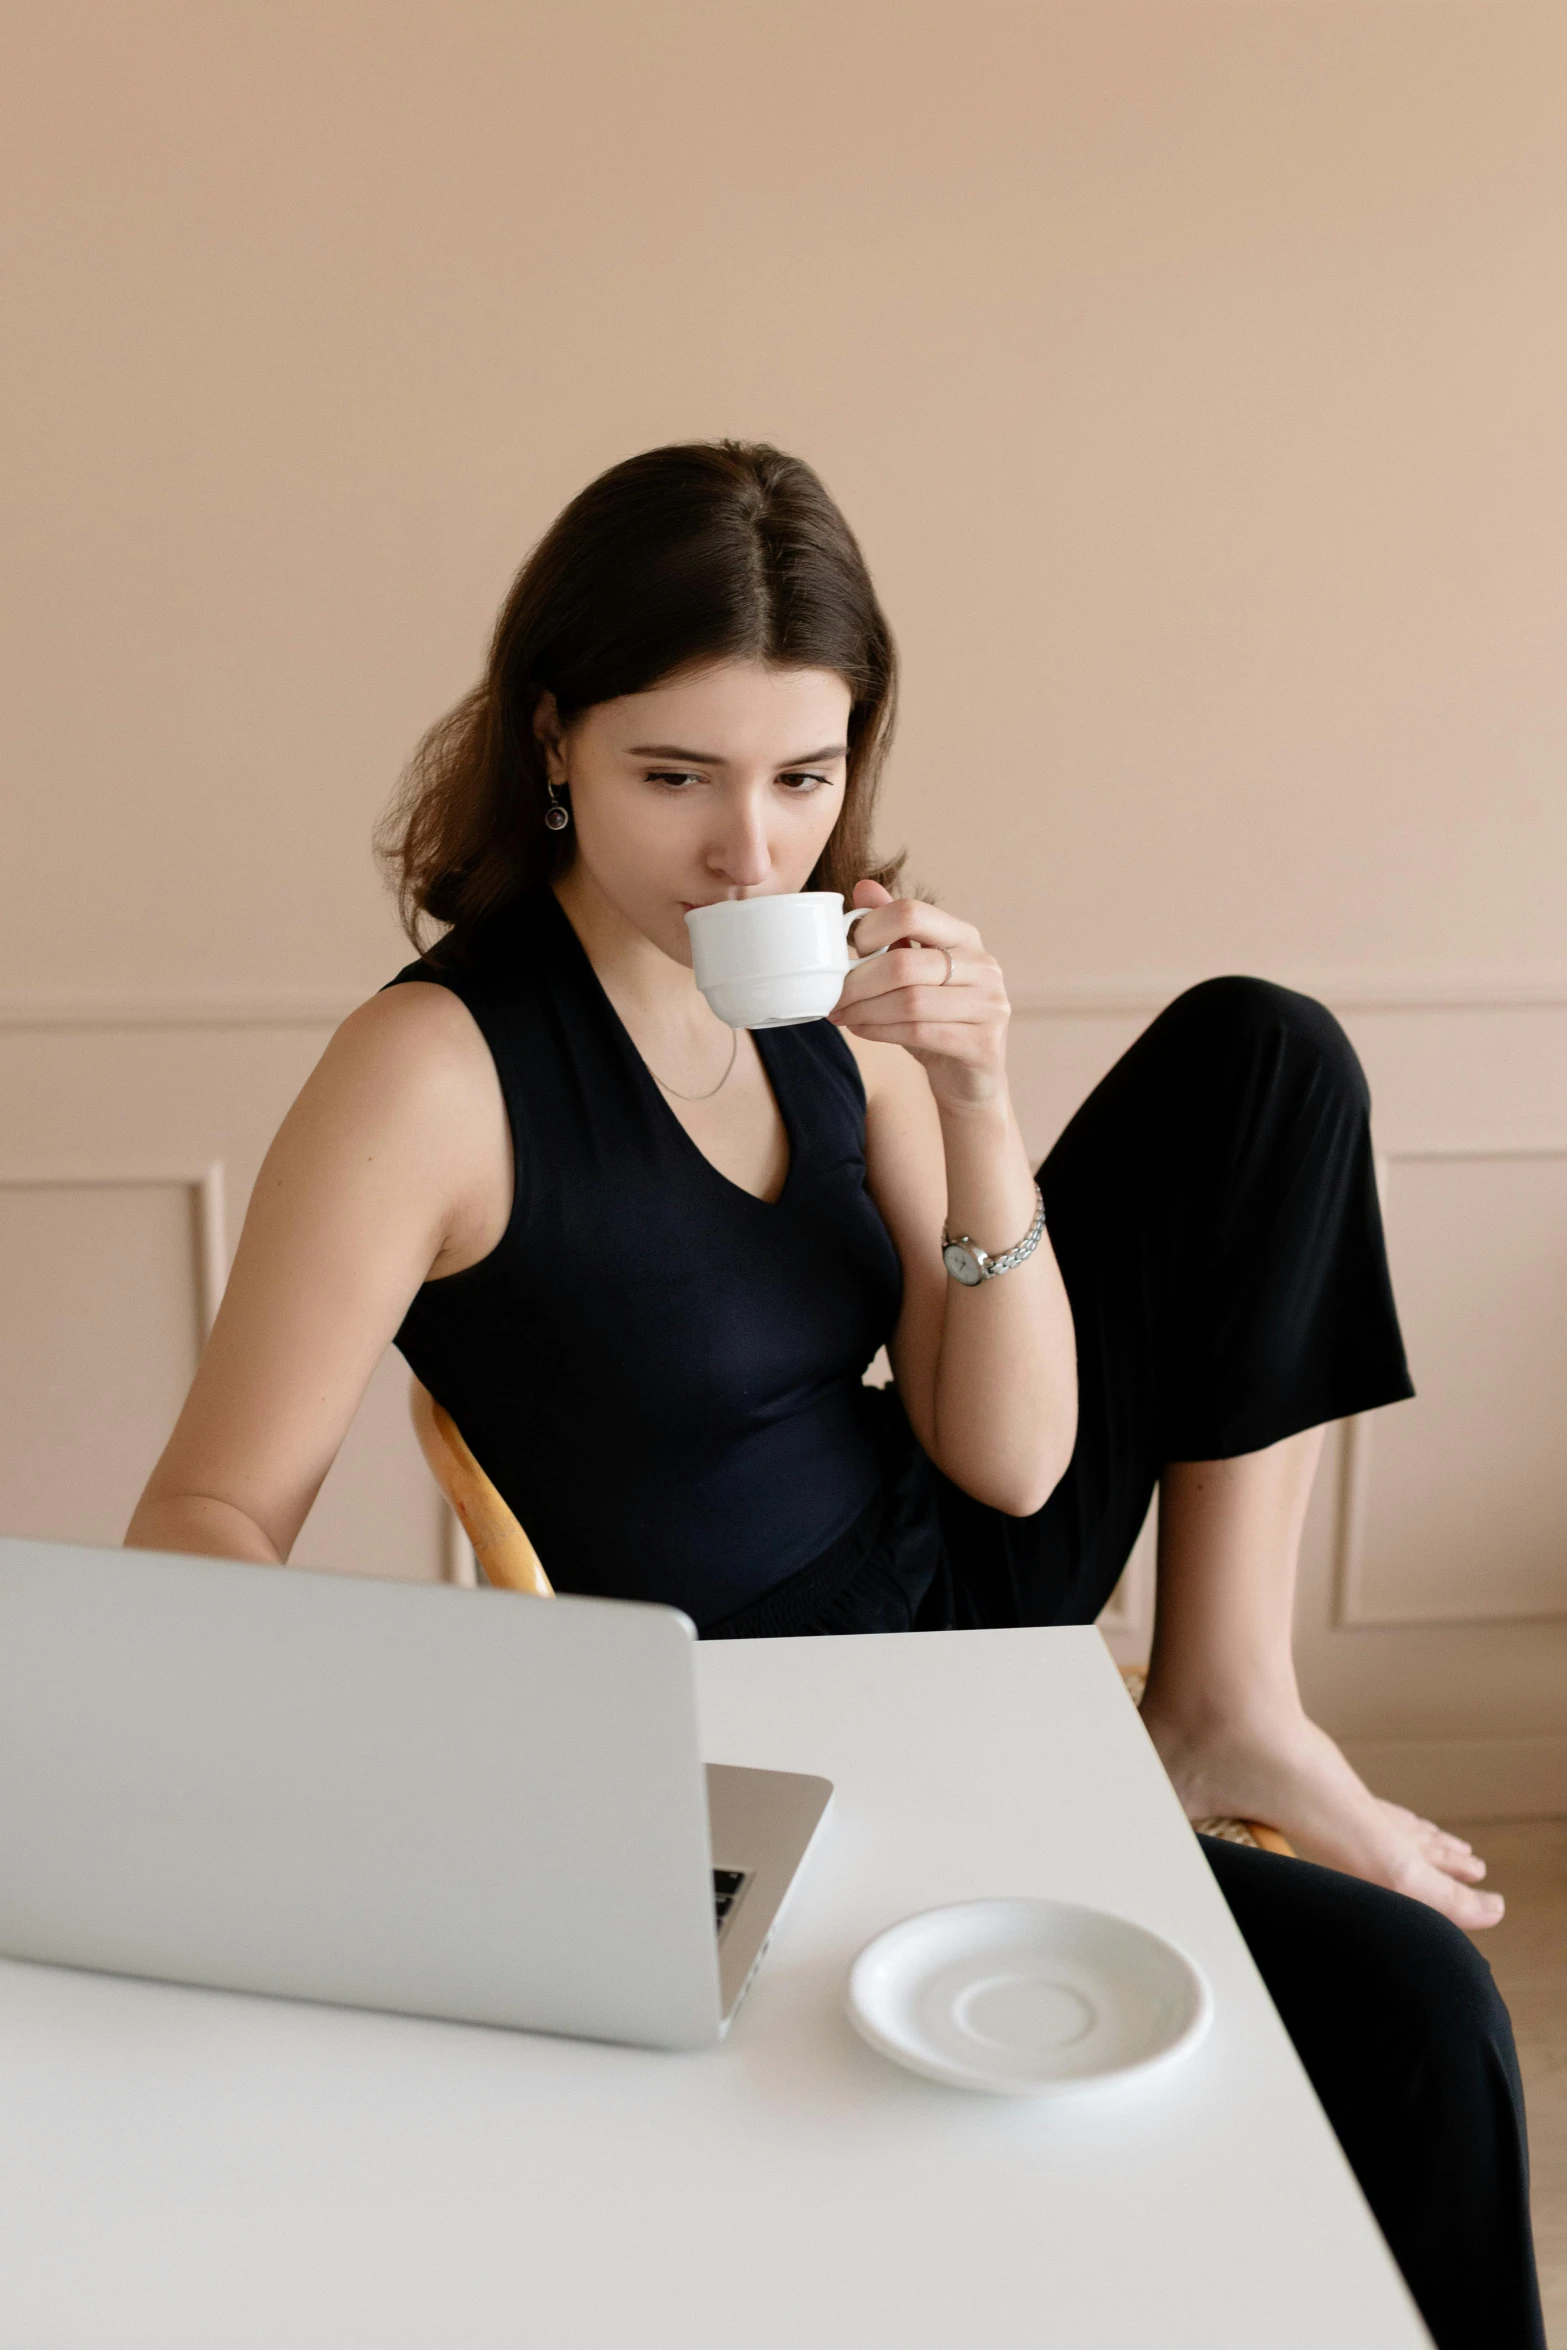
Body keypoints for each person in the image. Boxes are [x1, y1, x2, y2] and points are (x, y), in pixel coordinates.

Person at [127, 441, 1543, 2349]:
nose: (750, 852)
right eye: (675, 777)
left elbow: (1009, 1451)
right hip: (795, 1740)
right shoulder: (436, 1074)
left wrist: (969, 1099)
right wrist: (380, 1780)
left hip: (951, 1592)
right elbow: (209, 1507)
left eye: (803, 777)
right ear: (554, 740)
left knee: (1259, 1062)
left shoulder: (814, 998)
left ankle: (1225, 1703)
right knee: (1419, 2015)